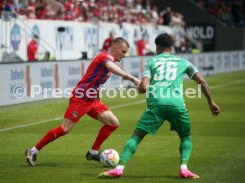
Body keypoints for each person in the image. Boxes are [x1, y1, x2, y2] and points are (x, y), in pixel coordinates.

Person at [99, 33, 220, 179]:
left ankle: (119, 168)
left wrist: (139, 89)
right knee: (185, 137)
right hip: (177, 104)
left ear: (158, 47)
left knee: (137, 136)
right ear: (171, 47)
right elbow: (202, 81)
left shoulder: (152, 62)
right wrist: (211, 102)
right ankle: (184, 168)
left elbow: (144, 87)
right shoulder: (184, 62)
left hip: (156, 104)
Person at [25, 37, 140, 166]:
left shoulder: (108, 59)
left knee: (113, 123)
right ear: (114, 48)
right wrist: (130, 77)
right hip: (80, 98)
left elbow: (97, 81)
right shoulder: (105, 57)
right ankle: (33, 150)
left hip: (92, 100)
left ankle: (93, 152)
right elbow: (110, 66)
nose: (124, 55)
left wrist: (97, 97)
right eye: (123, 52)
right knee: (65, 129)